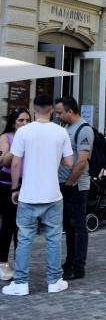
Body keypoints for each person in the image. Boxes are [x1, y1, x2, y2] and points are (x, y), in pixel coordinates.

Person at [2, 93, 73, 296]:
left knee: (24, 239)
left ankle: (21, 283)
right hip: (53, 194)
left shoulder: (24, 132)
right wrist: (53, 159)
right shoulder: (61, 132)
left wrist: (15, 188)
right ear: (51, 110)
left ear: (34, 109)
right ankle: (54, 280)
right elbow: (69, 163)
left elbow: (15, 163)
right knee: (53, 239)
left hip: (28, 195)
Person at [55, 96, 94, 282]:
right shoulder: (67, 128)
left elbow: (81, 161)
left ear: (70, 111)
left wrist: (70, 183)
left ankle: (78, 267)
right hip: (66, 184)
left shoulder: (84, 129)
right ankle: (70, 262)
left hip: (76, 185)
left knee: (78, 227)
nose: (57, 115)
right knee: (69, 227)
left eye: (60, 112)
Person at [0, 108, 31, 281]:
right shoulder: (6, 138)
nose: (25, 124)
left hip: (26, 185)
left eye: (27, 120)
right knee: (9, 226)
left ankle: (21, 264)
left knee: (24, 228)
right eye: (21, 120)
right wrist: (18, 142)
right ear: (14, 122)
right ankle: (2, 263)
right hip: (7, 187)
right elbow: (4, 160)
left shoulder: (31, 137)